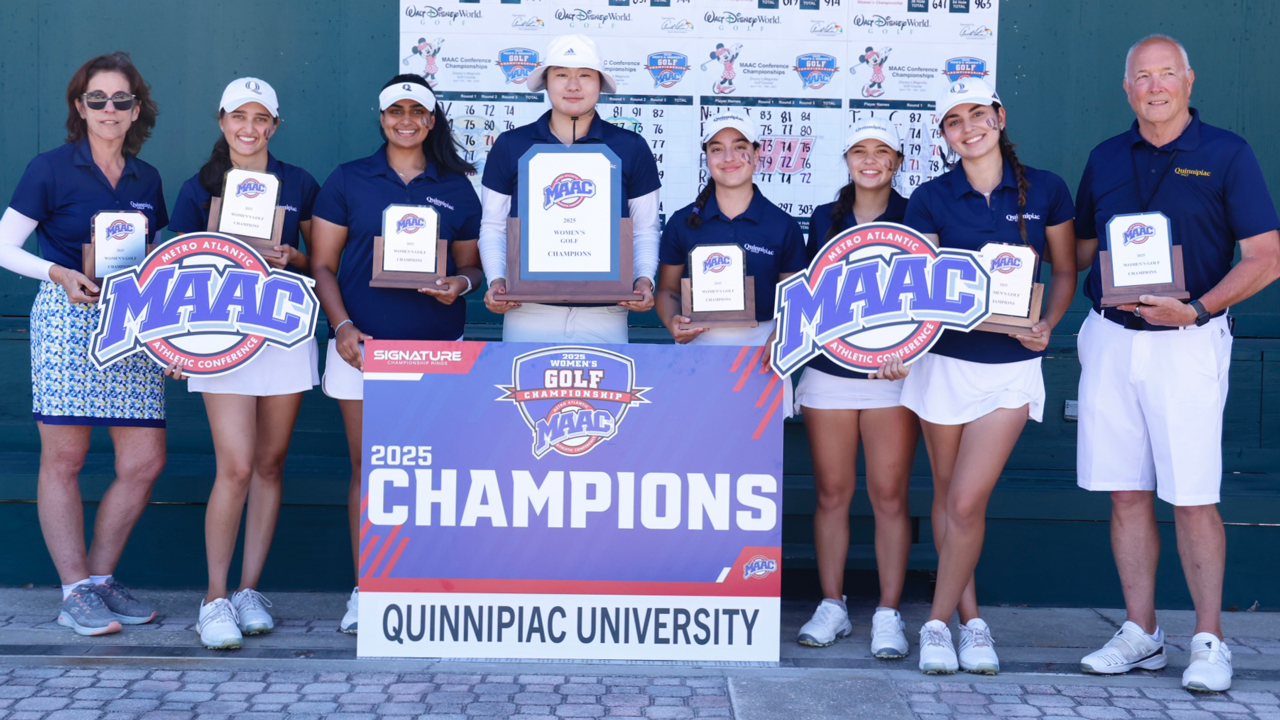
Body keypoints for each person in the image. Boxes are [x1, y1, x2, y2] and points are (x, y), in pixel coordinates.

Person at [1074, 35, 1280, 693]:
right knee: (1126, 491)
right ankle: (1142, 634)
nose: (1155, 86)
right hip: (1110, 337)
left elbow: (1265, 257)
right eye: (1142, 76)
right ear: (1127, 87)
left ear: (1189, 81)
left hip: (1189, 341)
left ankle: (1209, 639)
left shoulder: (1227, 153)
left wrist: (1197, 309)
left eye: (1167, 74)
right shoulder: (1105, 157)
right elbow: (1077, 247)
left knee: (1192, 495)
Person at [900, 77, 1077, 674]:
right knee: (949, 499)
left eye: (978, 113)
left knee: (969, 501)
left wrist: (1048, 323)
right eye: (954, 120)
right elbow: (918, 289)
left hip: (1011, 367)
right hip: (942, 364)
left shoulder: (1047, 189)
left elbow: (1064, 272)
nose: (968, 127)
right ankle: (970, 622)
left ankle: (931, 623)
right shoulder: (929, 197)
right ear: (943, 135)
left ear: (999, 116)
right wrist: (902, 344)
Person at [0, 52, 166, 636]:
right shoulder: (50, 168)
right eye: (98, 99)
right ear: (80, 106)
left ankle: (97, 580)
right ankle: (73, 590)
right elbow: (3, 245)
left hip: (134, 323)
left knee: (144, 460)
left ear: (136, 109)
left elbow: (157, 261)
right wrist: (58, 273)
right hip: (68, 319)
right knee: (64, 459)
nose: (109, 109)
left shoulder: (148, 178)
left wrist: (169, 336)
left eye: (121, 100)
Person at [310, 75, 483, 634]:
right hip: (363, 348)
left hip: (437, 350)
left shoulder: (457, 186)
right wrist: (341, 327)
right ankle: (369, 587)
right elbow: (322, 266)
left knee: (431, 473)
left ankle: (427, 584)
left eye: (417, 111)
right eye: (394, 111)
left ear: (432, 121)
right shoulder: (349, 180)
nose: (405, 119)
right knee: (369, 467)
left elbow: (472, 266)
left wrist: (458, 284)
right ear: (381, 118)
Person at [166, 77, 320, 650]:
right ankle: (213, 598)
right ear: (222, 121)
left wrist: (293, 255)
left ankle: (249, 591)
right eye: (238, 117)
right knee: (234, 466)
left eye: (261, 118)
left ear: (274, 125)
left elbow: (316, 264)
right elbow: (176, 270)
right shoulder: (197, 186)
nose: (249, 128)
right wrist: (174, 344)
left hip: (281, 333)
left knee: (270, 464)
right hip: (218, 338)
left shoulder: (300, 181)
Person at [790, 118, 920, 659]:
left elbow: (930, 300)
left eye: (881, 152)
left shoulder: (917, 215)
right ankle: (832, 604)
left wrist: (906, 352)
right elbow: (806, 294)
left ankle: (889, 613)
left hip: (893, 376)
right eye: (859, 151)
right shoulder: (825, 217)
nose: (870, 160)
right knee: (832, 493)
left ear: (897, 161)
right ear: (846, 160)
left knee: (888, 496)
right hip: (829, 373)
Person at [480, 34, 659, 343]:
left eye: (585, 75)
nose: (573, 85)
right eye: (561, 74)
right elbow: (494, 225)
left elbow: (645, 228)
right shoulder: (511, 145)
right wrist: (497, 279)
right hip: (527, 309)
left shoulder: (631, 147)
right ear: (547, 82)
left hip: (606, 310)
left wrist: (644, 280)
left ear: (600, 83)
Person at [656, 112, 806, 348]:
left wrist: (782, 338)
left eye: (739, 147)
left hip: (763, 348)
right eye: (717, 149)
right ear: (707, 157)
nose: (728, 157)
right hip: (696, 347)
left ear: (757, 154)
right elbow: (667, 289)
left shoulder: (783, 226)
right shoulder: (681, 222)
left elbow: (797, 301)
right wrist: (671, 320)